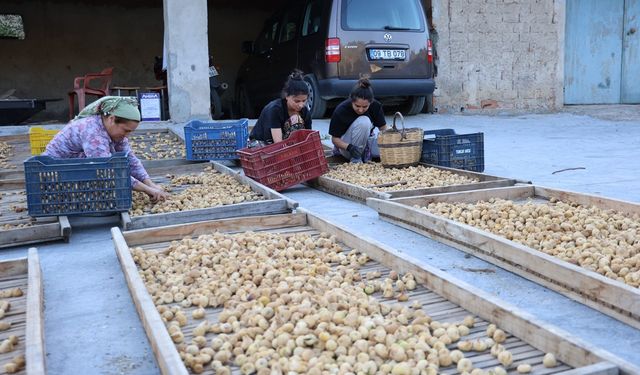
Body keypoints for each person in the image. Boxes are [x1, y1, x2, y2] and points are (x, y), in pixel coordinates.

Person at [43, 96, 169, 201]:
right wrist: (147, 190)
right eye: (125, 130)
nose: (127, 135)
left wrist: (150, 184)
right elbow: (107, 170)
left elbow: (130, 159)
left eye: (130, 132)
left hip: (74, 171)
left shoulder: (115, 134)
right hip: (55, 175)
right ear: (112, 119)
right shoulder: (92, 131)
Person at [329, 77, 387, 163]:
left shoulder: (376, 106)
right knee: (364, 121)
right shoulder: (341, 110)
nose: (360, 110)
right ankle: (356, 159)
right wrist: (349, 147)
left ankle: (366, 155)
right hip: (347, 148)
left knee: (387, 149)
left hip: (367, 145)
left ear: (370, 103)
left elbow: (383, 128)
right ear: (351, 100)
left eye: (365, 107)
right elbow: (335, 139)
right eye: (357, 106)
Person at [248, 70, 312, 147]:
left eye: (304, 101)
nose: (301, 105)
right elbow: (278, 143)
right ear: (287, 96)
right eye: (297, 101)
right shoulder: (275, 109)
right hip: (262, 143)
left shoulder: (305, 112)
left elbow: (308, 137)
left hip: (284, 145)